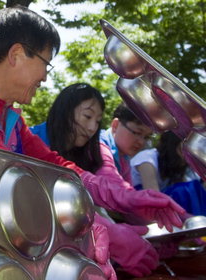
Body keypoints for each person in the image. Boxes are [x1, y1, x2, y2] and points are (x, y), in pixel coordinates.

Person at [0, 6, 185, 278]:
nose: (45, 77)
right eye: (45, 62)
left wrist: (129, 199)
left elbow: (58, 169)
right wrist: (105, 234)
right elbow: (18, 199)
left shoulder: (7, 116)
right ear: (17, 54)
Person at [30, 83, 161, 277]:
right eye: (87, 116)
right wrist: (112, 232)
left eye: (97, 121)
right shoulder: (33, 140)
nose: (92, 127)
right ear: (65, 110)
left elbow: (108, 184)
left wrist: (137, 204)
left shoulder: (92, 153)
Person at [132, 131, 206, 216]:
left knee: (195, 187)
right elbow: (154, 198)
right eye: (183, 150)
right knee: (183, 190)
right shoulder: (147, 159)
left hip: (173, 211)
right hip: (144, 210)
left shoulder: (181, 166)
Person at [100, 103, 153, 184]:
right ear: (116, 125)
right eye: (137, 133)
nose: (141, 142)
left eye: (146, 137)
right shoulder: (99, 147)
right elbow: (114, 189)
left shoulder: (124, 159)